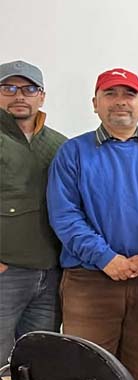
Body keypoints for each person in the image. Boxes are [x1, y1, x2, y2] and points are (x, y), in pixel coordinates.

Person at [47, 68, 138, 380]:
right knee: (84, 376)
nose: (120, 101)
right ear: (95, 104)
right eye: (110, 94)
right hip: (89, 282)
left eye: (129, 94)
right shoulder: (72, 152)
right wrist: (105, 257)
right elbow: (65, 216)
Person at [0, 60, 67, 364]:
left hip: (50, 274)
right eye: (9, 88)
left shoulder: (59, 145)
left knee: (40, 363)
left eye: (28, 89)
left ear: (42, 96)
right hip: (6, 274)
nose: (19, 96)